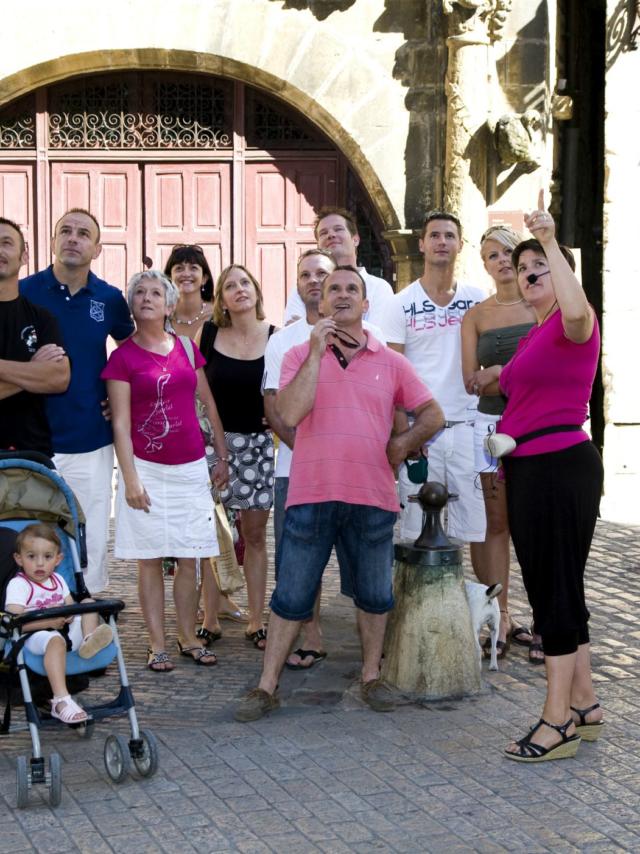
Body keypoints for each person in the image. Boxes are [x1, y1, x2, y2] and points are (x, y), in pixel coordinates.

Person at [234, 265, 445, 722]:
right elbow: (286, 415)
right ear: (321, 303)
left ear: (367, 305)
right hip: (310, 494)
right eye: (334, 290)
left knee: (373, 593)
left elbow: (433, 414)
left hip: (372, 497)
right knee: (291, 595)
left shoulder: (391, 361)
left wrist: (401, 444)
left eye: (353, 289)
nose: (344, 295)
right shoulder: (297, 355)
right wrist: (315, 352)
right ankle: (266, 686)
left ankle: (371, 676)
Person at [490, 192, 603, 762]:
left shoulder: (572, 324)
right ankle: (584, 703)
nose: (530, 272)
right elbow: (511, 384)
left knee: (552, 592)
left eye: (542, 268)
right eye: (524, 267)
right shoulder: (535, 335)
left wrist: (551, 240)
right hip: (532, 467)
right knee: (561, 585)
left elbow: (579, 312)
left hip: (559, 466)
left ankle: (555, 722)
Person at [264, 248, 387, 669]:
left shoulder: (377, 344)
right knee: (297, 571)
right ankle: (307, 638)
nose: (317, 282)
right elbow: (278, 412)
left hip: (358, 481)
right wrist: (315, 450)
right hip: (296, 474)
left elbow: (398, 406)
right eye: (310, 277)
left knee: (366, 574)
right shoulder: (285, 342)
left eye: (326, 275)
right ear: (303, 289)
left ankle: (368, 661)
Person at [102, 270, 229, 672]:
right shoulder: (121, 358)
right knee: (150, 558)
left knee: (191, 556)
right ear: (131, 305)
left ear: (170, 305)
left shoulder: (188, 350)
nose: (146, 297)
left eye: (156, 292)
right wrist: (130, 479)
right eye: (139, 292)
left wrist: (221, 455)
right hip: (147, 469)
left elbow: (206, 402)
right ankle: (157, 644)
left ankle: (188, 636)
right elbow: (120, 423)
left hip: (191, 467)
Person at [20, 209, 134, 592]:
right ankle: (38, 614)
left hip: (90, 438)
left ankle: (89, 616)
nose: (73, 238)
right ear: (52, 242)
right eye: (65, 231)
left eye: (83, 233)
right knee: (34, 534)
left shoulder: (110, 299)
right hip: (31, 439)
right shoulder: (23, 292)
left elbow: (132, 355)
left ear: (97, 248)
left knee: (91, 531)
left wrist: (120, 400)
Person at [386, 211, 487, 573]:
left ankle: (471, 612)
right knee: (417, 531)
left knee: (473, 529)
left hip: (468, 428)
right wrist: (406, 435)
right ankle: (417, 613)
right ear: (422, 244)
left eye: (449, 235)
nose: (442, 241)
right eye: (434, 235)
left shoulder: (479, 299)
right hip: (422, 432)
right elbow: (394, 376)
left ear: (460, 244)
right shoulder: (400, 303)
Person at [460, 225, 537, 661]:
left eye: (507, 252)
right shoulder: (477, 316)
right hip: (489, 428)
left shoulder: (542, 307)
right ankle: (501, 615)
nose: (502, 261)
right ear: (485, 265)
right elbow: (472, 382)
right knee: (495, 523)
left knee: (535, 521)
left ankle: (545, 618)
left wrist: (499, 372)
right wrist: (501, 377)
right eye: (492, 255)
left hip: (535, 425)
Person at [164, 244, 247, 640]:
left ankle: (212, 610)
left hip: (212, 428)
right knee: (183, 526)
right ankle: (195, 603)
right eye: (178, 267)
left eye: (193, 267)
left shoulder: (218, 316)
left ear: (205, 276)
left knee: (217, 523)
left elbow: (245, 358)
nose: (186, 274)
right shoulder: (155, 317)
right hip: (170, 432)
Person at [195, 264, 276, 650]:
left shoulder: (275, 338)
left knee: (255, 536)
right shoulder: (208, 334)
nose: (239, 289)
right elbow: (193, 390)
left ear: (257, 292)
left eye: (246, 282)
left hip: (258, 446)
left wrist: (277, 414)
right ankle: (210, 618)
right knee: (215, 536)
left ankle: (258, 619)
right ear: (222, 300)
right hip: (214, 446)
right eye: (230, 285)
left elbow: (286, 388)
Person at [6, 523, 113, 724]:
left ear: (58, 559)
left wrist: (70, 617)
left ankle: (89, 640)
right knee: (54, 639)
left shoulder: (59, 581)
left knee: (88, 604)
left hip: (62, 631)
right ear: (18, 559)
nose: (39, 564)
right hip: (33, 636)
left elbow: (71, 607)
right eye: (31, 557)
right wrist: (48, 622)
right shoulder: (19, 585)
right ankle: (61, 701)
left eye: (47, 557)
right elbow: (13, 623)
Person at [0, 217, 70, 456]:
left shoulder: (41, 318)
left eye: (6, 242)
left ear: (24, 257)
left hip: (30, 456)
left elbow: (59, 378)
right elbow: (45, 378)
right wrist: (33, 372)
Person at [283, 206, 396, 337]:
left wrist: (311, 327)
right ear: (318, 244)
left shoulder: (379, 288)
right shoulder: (305, 287)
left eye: (338, 229)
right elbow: (291, 334)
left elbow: (375, 337)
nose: (331, 235)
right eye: (323, 233)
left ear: (356, 239)